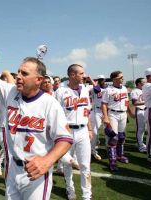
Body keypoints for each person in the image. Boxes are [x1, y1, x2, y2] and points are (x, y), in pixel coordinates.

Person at [0, 37, 73, 200]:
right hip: (11, 169)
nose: (18, 76)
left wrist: (48, 161)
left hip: (36, 173)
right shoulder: (10, 92)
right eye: (18, 72)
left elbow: (65, 139)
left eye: (24, 73)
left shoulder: (49, 103)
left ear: (39, 80)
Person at [56, 64, 92, 200]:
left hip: (82, 130)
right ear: (72, 75)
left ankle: (87, 195)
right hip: (67, 131)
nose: (85, 75)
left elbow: (86, 110)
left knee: (85, 164)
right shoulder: (60, 91)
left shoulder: (84, 89)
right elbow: (55, 115)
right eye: (81, 73)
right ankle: (70, 190)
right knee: (67, 164)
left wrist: (89, 128)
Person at [101, 71, 133, 171]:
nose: (123, 78)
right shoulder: (108, 90)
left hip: (123, 113)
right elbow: (104, 104)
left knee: (121, 136)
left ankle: (120, 155)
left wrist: (130, 113)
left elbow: (126, 102)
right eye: (121, 77)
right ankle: (112, 160)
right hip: (113, 114)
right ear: (114, 79)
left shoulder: (124, 88)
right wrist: (105, 117)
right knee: (113, 138)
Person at [90, 75, 107, 161]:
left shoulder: (109, 89)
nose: (102, 81)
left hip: (107, 112)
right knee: (95, 132)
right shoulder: (94, 89)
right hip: (97, 111)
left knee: (108, 131)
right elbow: (97, 89)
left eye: (103, 80)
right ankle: (93, 150)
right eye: (100, 80)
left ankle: (108, 147)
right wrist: (93, 82)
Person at [130, 78, 147, 153]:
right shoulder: (135, 91)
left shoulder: (144, 90)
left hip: (146, 110)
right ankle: (141, 146)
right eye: (144, 82)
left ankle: (139, 143)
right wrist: (146, 102)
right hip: (140, 111)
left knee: (143, 129)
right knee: (140, 129)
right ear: (139, 83)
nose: (145, 83)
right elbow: (134, 103)